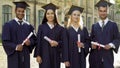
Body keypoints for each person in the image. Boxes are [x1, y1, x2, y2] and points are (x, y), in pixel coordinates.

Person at [34, 3, 69, 68]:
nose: (50, 15)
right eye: (48, 13)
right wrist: (38, 55)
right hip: (44, 57)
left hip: (56, 56)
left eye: (52, 13)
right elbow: (38, 42)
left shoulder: (61, 29)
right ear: (45, 15)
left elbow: (64, 43)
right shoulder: (41, 27)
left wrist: (57, 43)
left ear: (55, 15)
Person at [2, 1, 36, 68]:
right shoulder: (8, 25)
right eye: (19, 11)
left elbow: (35, 39)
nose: (21, 13)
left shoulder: (29, 26)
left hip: (25, 56)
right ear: (15, 11)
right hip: (13, 56)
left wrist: (30, 42)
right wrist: (16, 47)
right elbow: (5, 42)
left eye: (23, 11)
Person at [89, 0, 120, 68]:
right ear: (98, 12)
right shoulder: (94, 26)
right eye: (101, 11)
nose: (102, 13)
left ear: (107, 11)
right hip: (95, 58)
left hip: (107, 58)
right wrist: (92, 45)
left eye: (104, 11)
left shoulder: (113, 25)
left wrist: (111, 45)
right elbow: (91, 40)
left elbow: (117, 39)